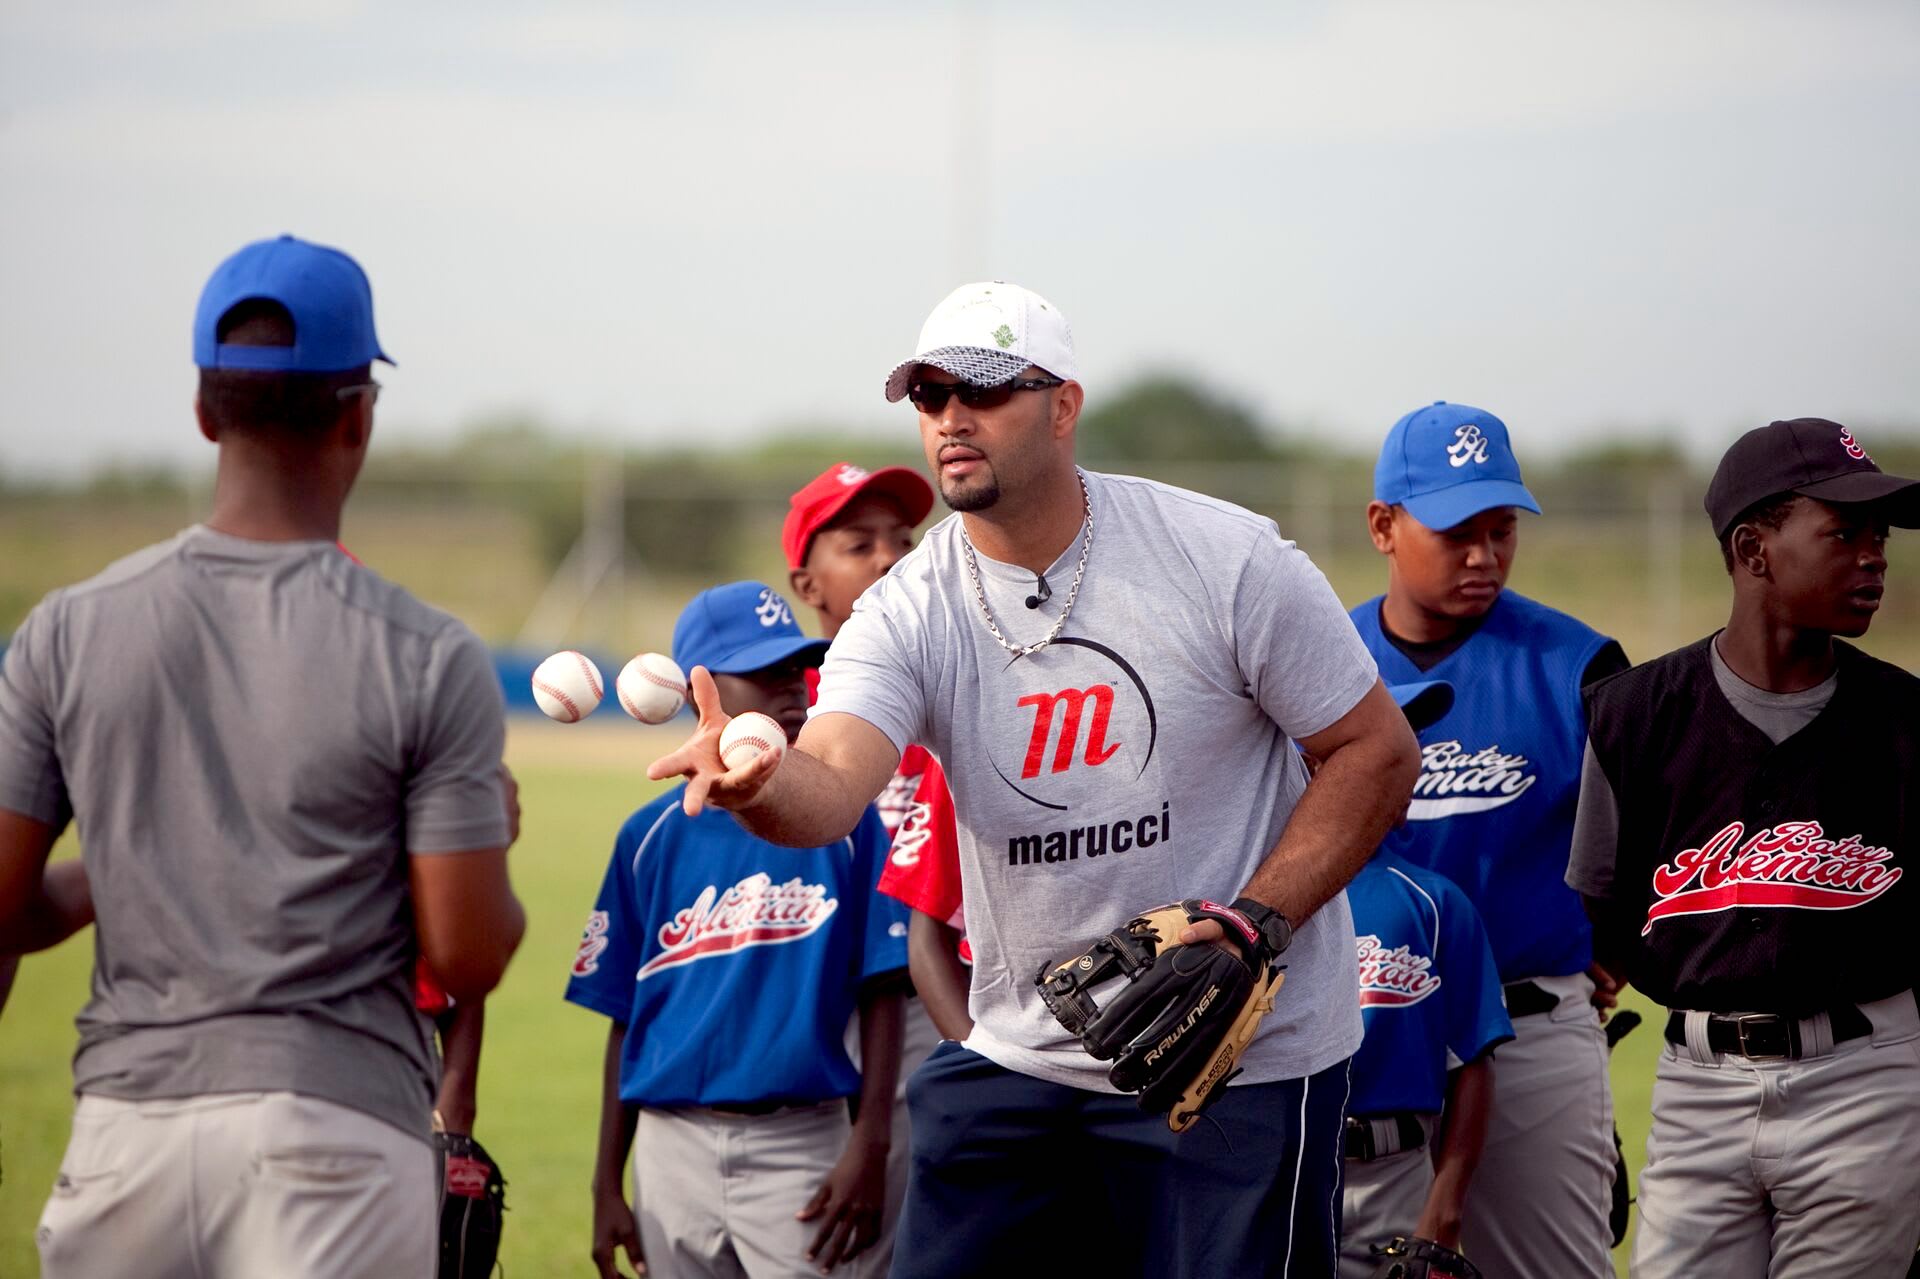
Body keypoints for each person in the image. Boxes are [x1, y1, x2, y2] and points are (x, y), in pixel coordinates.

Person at [651, 281, 1422, 1277]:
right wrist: (759, 780)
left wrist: (1255, 922)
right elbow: (833, 781)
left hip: (1241, 1063)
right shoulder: (906, 608)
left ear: (1064, 405)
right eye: (928, 396)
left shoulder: (1223, 558)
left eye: (984, 388)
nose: (951, 417)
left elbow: (1376, 751)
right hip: (1029, 1055)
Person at [0, 234, 525, 1279]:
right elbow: (468, 955)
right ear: (358, 415)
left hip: (126, 1135)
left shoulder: (65, 629)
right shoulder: (428, 652)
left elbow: (5, 909)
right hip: (334, 1136)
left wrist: (138, 860)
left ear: (203, 413)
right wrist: (483, 849)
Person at [1568, 418, 1920, 1278]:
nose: (1874, 557)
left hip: (1866, 1077)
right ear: (1754, 549)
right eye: (1843, 532)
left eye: (1880, 537)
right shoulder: (1632, 714)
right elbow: (1604, 923)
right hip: (1695, 1086)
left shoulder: (1908, 722)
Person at [1349, 401, 1625, 1277]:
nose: (1484, 556)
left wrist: (1612, 944)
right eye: (1456, 531)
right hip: (1362, 1027)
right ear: (1384, 526)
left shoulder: (1577, 665)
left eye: (1501, 529)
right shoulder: (1320, 663)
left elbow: (1652, 849)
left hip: (1531, 1028)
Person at [573, 581, 908, 1279]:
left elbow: (883, 988)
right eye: (765, 673)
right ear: (701, 694)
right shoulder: (650, 837)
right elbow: (624, 1018)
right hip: (671, 1145)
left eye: (797, 668)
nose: (794, 688)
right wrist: (609, 1180)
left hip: (803, 1139)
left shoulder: (842, 824)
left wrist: (870, 1141)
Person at [783, 460, 940, 1278]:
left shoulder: (945, 675)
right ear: (806, 581)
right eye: (859, 543)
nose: (890, 558)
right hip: (818, 990)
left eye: (905, 541)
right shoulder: (784, 707)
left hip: (927, 997)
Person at [1339, 680, 1513, 1278]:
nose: (1407, 759)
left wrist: (1444, 1213)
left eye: (1410, 743)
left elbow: (1472, 1059)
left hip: (1397, 1175)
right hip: (1283, 1164)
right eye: (1388, 742)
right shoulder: (1248, 899)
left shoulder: (1433, 903)